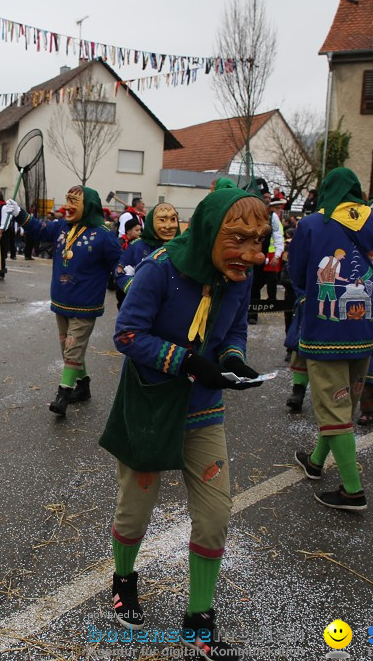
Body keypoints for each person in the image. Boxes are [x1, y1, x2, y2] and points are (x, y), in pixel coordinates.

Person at [102, 187, 269, 657]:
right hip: (153, 405)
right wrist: (190, 363)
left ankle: (199, 618)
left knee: (216, 514)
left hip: (204, 413)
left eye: (260, 241)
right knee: (136, 509)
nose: (253, 255)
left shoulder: (237, 276)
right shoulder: (159, 270)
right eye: (241, 240)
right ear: (213, 232)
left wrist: (234, 359)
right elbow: (128, 334)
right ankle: (124, 577)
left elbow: (234, 328)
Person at [289, 168, 373, 511]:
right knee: (345, 399)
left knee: (332, 404)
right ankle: (316, 461)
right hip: (367, 325)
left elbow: (296, 273)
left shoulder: (311, 224)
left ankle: (353, 490)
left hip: (326, 328)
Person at [5, 186, 122, 417]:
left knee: (72, 348)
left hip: (86, 304)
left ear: (87, 206)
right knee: (68, 348)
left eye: (74, 202)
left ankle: (63, 393)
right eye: (67, 200)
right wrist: (19, 213)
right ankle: (84, 385)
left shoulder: (103, 235)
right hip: (62, 300)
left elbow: (118, 264)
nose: (67, 206)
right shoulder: (61, 227)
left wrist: (129, 282)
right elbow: (39, 229)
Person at [113, 202, 180, 308]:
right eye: (162, 220)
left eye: (173, 219)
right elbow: (121, 272)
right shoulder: (137, 246)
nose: (168, 226)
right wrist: (137, 289)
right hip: (142, 305)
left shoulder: (183, 248)